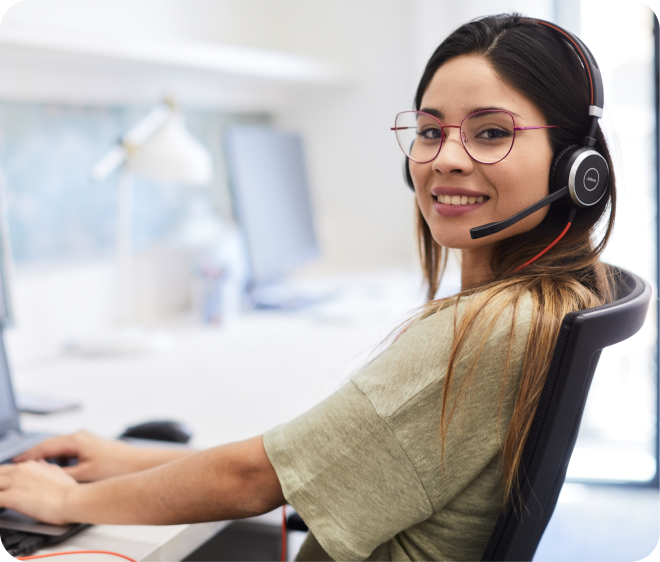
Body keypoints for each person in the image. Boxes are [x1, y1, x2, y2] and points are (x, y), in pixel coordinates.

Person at [0, 14, 616, 562]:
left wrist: (65, 504)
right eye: (430, 131)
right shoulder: (528, 309)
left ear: (575, 166)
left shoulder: (480, 331)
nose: (445, 158)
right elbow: (302, 466)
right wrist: (121, 459)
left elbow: (253, 481)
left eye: (489, 133)